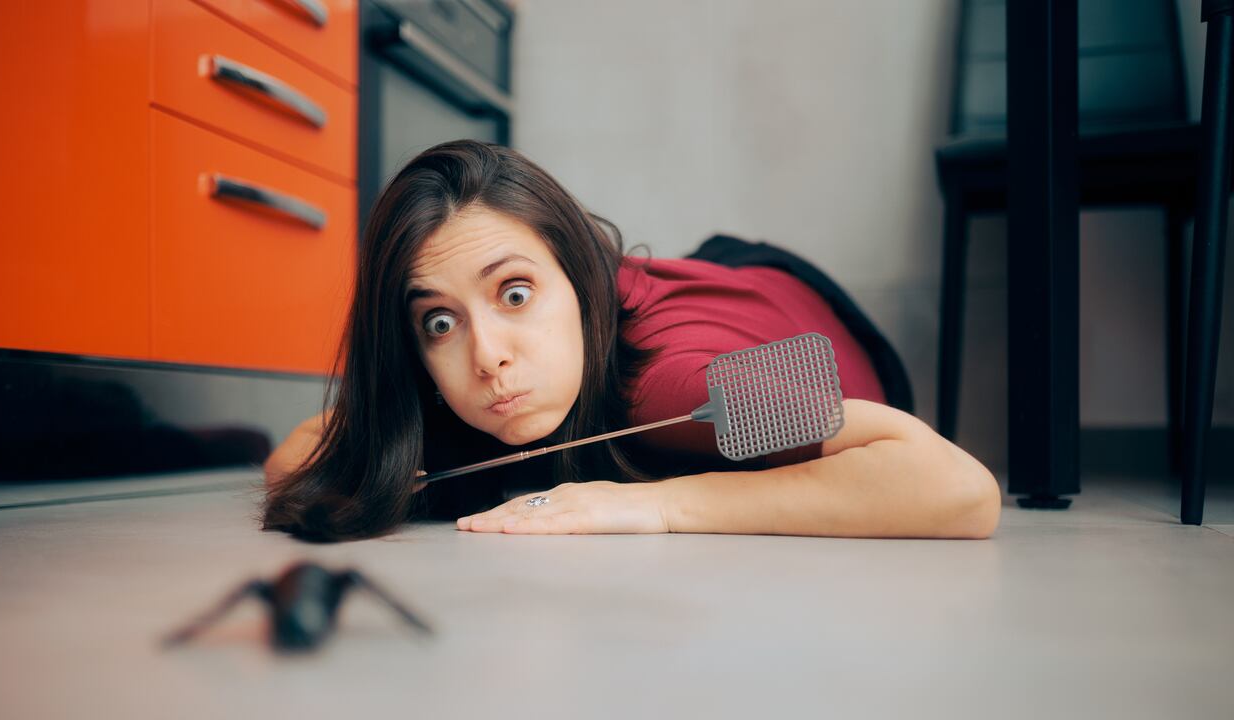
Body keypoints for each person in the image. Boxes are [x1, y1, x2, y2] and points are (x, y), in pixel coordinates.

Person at [262, 140, 1000, 542]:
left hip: (780, 300)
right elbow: (298, 454)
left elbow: (960, 490)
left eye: (515, 294)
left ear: (581, 286)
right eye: (441, 322)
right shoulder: (478, 378)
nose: (486, 357)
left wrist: (658, 507)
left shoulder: (676, 387)